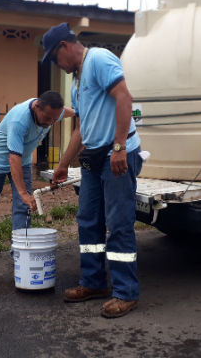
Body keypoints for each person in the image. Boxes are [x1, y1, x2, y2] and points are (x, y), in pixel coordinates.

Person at [43, 23, 143, 318]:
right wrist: (63, 165)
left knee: (118, 222)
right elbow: (81, 128)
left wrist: (120, 147)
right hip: (92, 156)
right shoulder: (76, 81)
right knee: (88, 219)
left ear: (64, 46)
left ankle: (126, 292)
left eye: (53, 58)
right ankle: (93, 282)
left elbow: (124, 98)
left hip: (116, 154)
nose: (56, 65)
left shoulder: (99, 59)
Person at [0, 91, 74, 259]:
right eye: (48, 118)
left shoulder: (52, 112)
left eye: (54, 119)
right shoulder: (20, 120)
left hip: (22, 161)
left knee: (24, 207)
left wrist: (84, 113)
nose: (50, 123)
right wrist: (23, 193)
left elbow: (69, 112)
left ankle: (19, 248)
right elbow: (13, 158)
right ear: (36, 106)